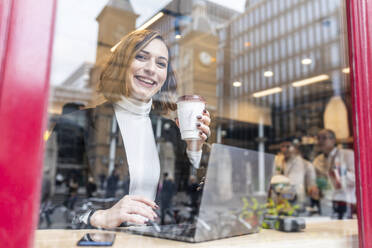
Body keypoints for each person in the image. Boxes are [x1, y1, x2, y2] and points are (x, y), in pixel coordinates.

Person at [68, 30, 211, 228]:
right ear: (123, 63)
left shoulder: (169, 131)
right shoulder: (81, 123)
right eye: (141, 57)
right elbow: (40, 207)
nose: (151, 69)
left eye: (161, 64)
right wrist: (98, 217)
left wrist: (194, 148)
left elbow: (193, 199)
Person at [313, 129, 356, 219]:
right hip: (325, 204)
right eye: (318, 139)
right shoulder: (317, 160)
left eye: (324, 138)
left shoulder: (347, 154)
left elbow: (355, 179)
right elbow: (317, 182)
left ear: (333, 140)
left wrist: (338, 171)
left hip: (344, 202)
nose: (320, 142)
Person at [273, 138, 318, 206]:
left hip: (297, 203)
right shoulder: (277, 162)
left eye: (288, 146)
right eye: (282, 146)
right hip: (278, 201)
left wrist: (312, 190)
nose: (284, 149)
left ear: (296, 147)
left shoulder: (306, 164)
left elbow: (311, 186)